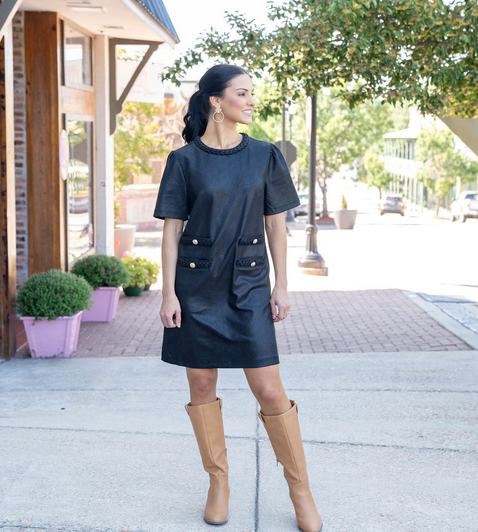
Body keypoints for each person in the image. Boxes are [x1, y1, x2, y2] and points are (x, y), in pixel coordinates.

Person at [153, 64, 322, 532]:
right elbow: (171, 233)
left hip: (247, 286)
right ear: (215, 102)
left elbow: (276, 225)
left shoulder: (265, 155)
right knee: (202, 386)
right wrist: (168, 293)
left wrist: (281, 283)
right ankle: (218, 482)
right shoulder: (183, 161)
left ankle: (300, 490)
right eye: (242, 93)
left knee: (270, 390)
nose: (251, 101)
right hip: (196, 288)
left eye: (252, 94)